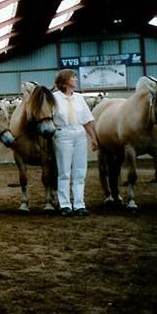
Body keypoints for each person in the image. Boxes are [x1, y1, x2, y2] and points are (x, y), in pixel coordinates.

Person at [52, 69, 99, 217]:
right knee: (64, 171)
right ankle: (65, 204)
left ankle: (79, 204)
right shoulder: (54, 98)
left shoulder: (79, 98)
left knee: (80, 171)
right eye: (73, 77)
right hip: (63, 134)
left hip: (80, 134)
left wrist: (93, 137)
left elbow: (86, 120)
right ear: (65, 80)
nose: (76, 80)